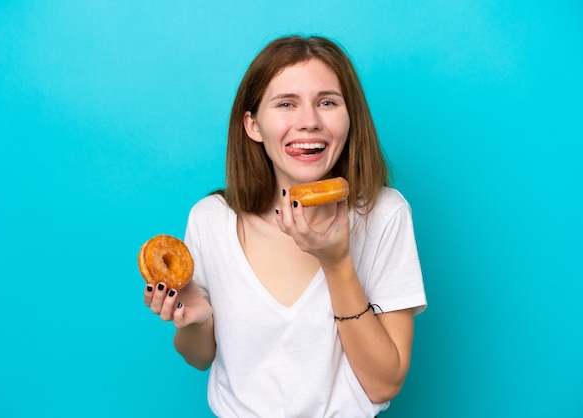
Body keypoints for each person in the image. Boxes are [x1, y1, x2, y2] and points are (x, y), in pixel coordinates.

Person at [144, 35, 427, 417]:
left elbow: (385, 382)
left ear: (349, 118)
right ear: (253, 124)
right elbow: (199, 358)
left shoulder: (384, 215)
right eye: (286, 104)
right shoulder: (211, 218)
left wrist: (338, 263)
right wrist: (197, 321)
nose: (309, 122)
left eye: (327, 102)